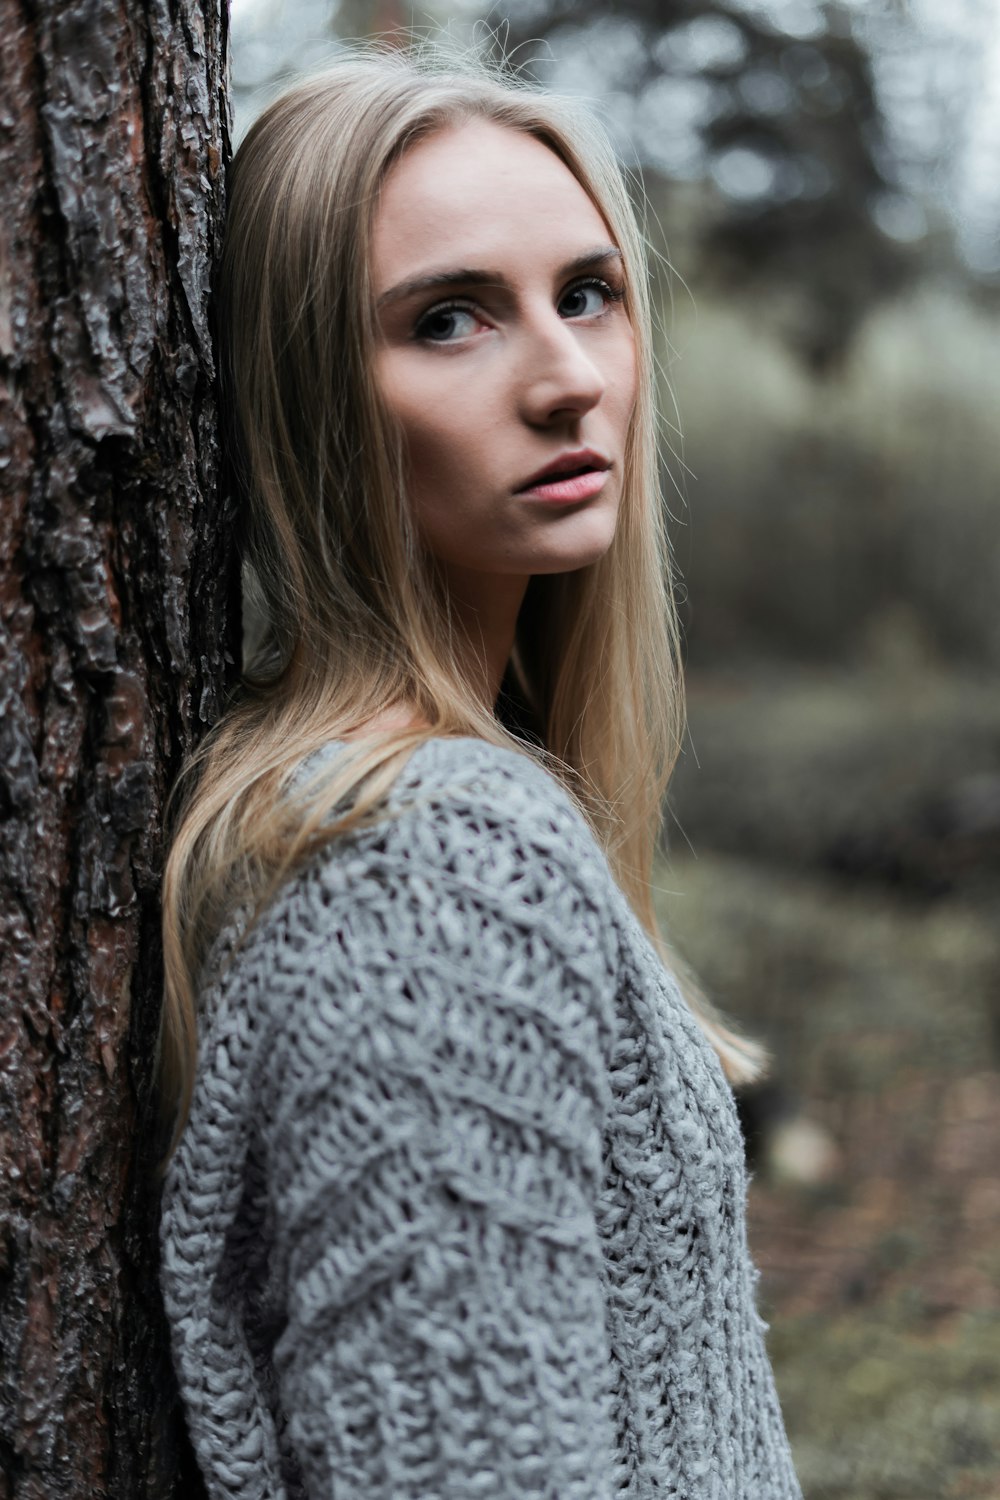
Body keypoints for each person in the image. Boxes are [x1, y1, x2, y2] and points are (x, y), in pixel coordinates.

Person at [155, 43, 803, 1500]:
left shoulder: (417, 804)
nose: (570, 381)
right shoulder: (433, 870)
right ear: (311, 399)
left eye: (587, 294)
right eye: (449, 321)